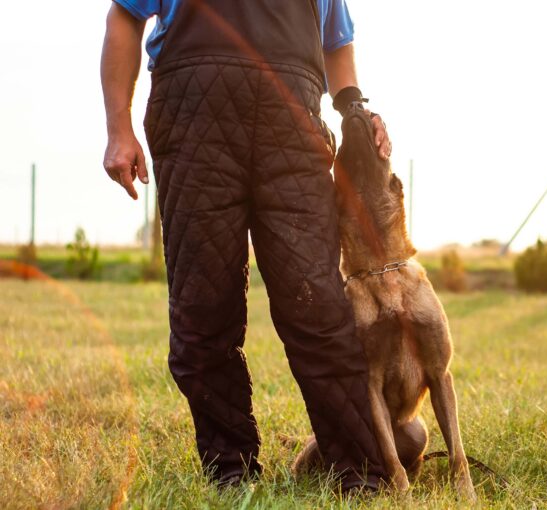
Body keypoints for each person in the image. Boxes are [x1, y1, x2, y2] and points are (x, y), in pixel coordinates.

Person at [100, 0, 392, 491]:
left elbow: (337, 41)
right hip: (193, 117)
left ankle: (360, 473)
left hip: (292, 120)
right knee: (204, 308)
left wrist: (355, 109)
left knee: (318, 304)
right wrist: (118, 128)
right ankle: (231, 470)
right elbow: (124, 16)